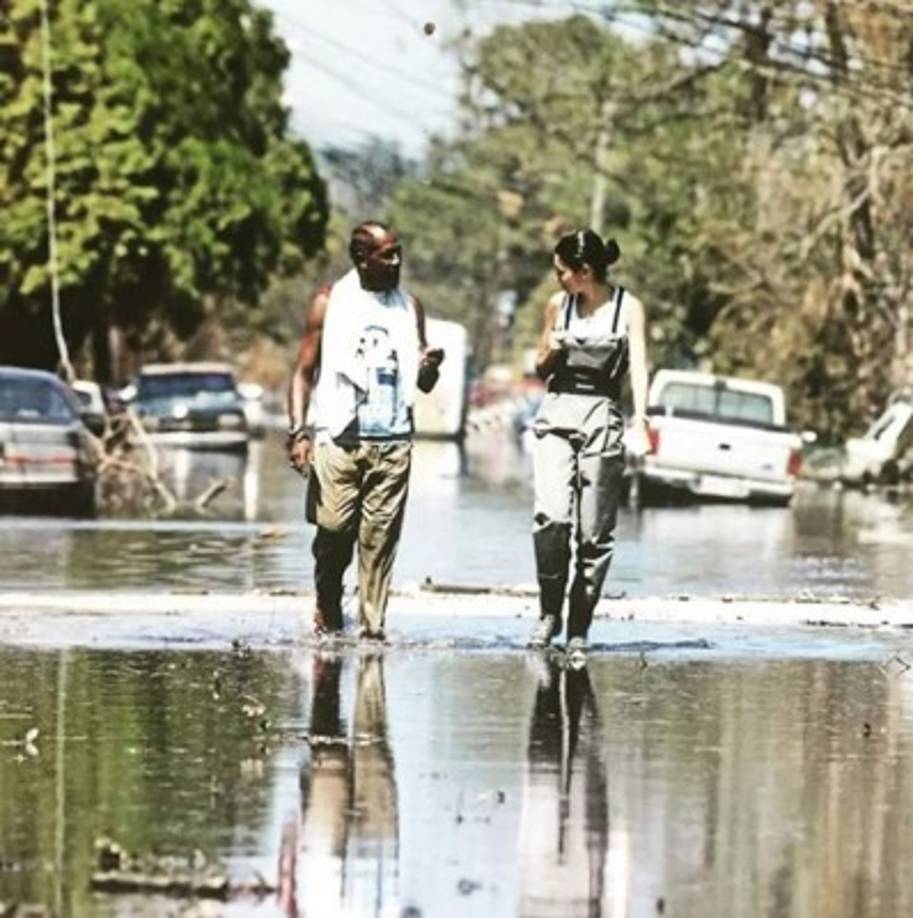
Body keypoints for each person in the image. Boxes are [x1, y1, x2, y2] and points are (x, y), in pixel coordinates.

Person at [287, 221, 444, 639]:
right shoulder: (329, 302)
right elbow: (303, 373)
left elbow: (423, 382)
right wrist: (298, 431)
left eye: (398, 253)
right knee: (335, 532)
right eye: (386, 255)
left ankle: (373, 632)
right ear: (361, 258)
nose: (396, 262)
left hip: (392, 441)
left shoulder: (410, 307)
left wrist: (430, 367)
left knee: (378, 545)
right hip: (339, 437)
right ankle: (328, 601)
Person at [527, 229, 649, 661]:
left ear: (584, 272)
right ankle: (549, 610)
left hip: (602, 413)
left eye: (561, 271)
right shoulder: (557, 306)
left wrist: (642, 419)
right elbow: (540, 366)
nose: (556, 278)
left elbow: (638, 367)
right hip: (558, 409)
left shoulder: (627, 307)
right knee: (551, 516)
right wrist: (552, 349)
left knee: (594, 532)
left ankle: (579, 624)